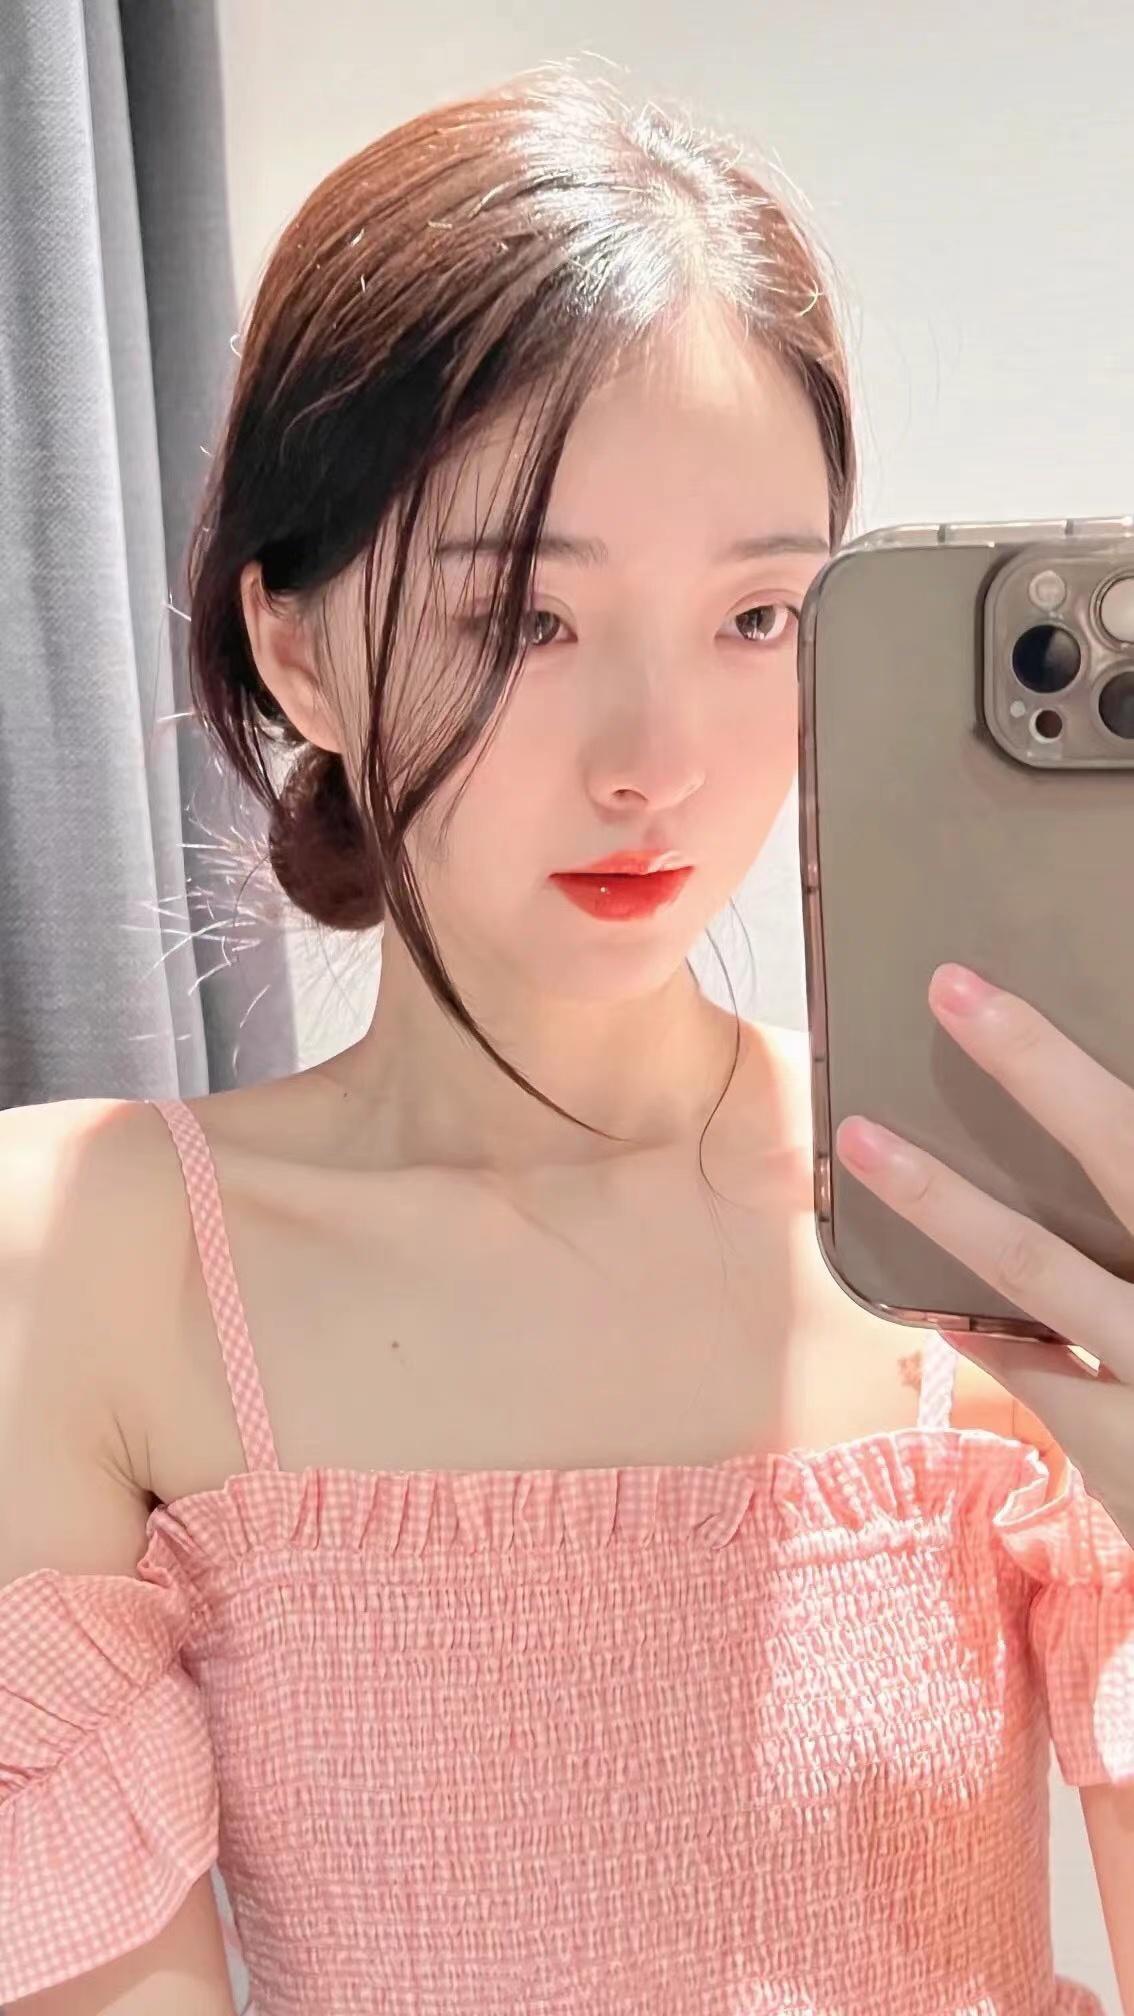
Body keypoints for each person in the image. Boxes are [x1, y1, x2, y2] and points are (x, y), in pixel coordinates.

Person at [1, 64, 1132, 2016]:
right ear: (294, 645)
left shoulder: (987, 1233)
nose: (653, 763)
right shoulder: (86, 1265)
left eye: (758, 618)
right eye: (522, 620)